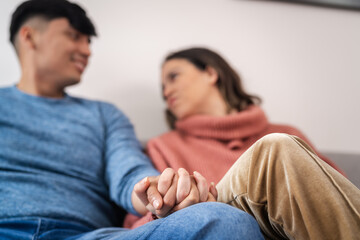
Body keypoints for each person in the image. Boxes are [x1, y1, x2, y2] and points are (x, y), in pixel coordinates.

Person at [0, 1, 265, 239]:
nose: (87, 51)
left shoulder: (104, 115)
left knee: (228, 221)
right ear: (29, 36)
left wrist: (157, 193)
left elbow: (129, 175)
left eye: (89, 42)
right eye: (75, 36)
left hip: (86, 236)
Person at [124, 47, 360, 239]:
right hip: (222, 223)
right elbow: (137, 226)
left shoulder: (287, 133)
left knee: (279, 147)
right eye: (162, 87)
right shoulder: (163, 146)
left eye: (173, 77)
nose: (166, 92)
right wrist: (164, 209)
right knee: (275, 151)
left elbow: (341, 196)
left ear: (210, 73)